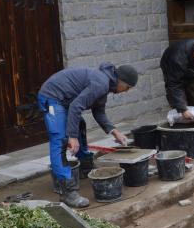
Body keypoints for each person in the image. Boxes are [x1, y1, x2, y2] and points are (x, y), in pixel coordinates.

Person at [38, 63, 138, 207]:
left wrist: (114, 131)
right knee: (60, 140)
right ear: (121, 81)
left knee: (79, 125)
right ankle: (67, 192)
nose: (126, 91)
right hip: (52, 96)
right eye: (127, 88)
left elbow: (99, 112)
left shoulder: (105, 85)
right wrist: (72, 137)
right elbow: (76, 106)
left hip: (65, 100)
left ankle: (85, 166)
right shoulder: (101, 83)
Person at [160, 39, 194, 121]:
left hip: (191, 69)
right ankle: (178, 122)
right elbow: (174, 85)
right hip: (171, 65)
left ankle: (193, 120)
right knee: (177, 101)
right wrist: (182, 109)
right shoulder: (177, 59)